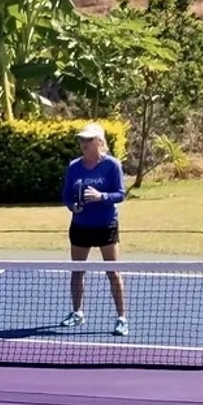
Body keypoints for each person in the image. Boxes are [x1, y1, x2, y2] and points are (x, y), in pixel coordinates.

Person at [60, 122, 128, 336]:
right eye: (81, 139)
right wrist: (74, 206)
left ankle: (121, 318)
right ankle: (77, 313)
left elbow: (120, 193)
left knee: (113, 272)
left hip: (105, 226)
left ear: (99, 142)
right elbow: (66, 196)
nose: (83, 144)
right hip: (81, 226)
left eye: (88, 140)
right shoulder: (74, 167)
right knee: (77, 271)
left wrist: (102, 197)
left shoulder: (112, 165)